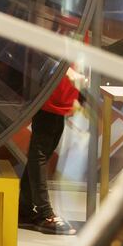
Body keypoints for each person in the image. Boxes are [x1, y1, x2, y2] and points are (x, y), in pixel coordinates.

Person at [20, 68, 82, 235]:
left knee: (43, 151)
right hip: (50, 96)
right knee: (40, 152)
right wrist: (67, 71)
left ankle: (24, 209)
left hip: (59, 96)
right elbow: (47, 54)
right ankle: (44, 213)